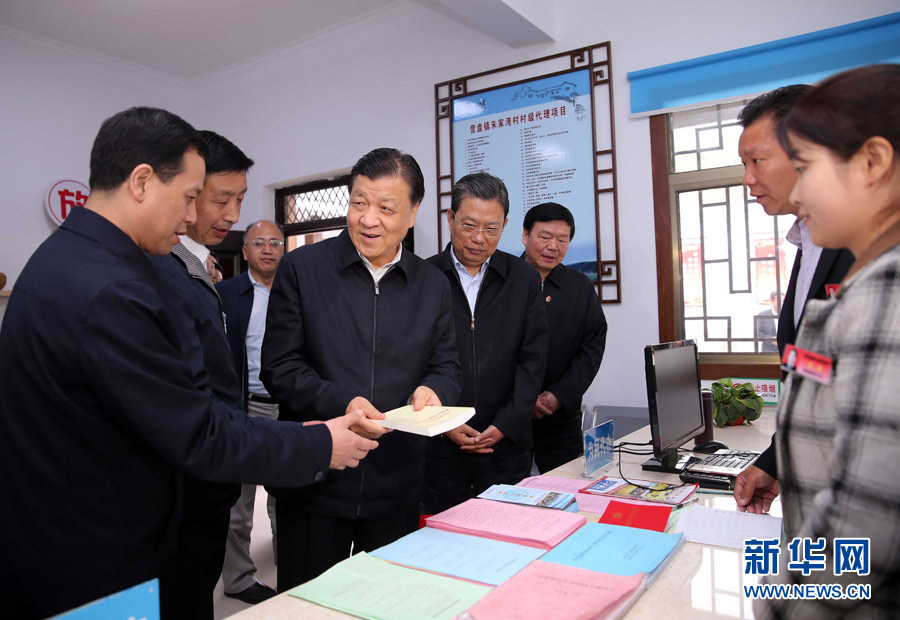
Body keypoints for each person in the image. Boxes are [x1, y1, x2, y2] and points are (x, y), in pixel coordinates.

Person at [0, 107, 377, 620]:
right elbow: (196, 432)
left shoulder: (66, 255)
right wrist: (321, 444)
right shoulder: (115, 289)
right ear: (141, 182)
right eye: (189, 196)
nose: (190, 216)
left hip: (59, 531)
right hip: (95, 555)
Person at [261, 148, 462, 589]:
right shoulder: (302, 269)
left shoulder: (432, 285)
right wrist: (343, 402)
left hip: (397, 485)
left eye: (386, 208)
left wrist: (435, 389)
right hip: (315, 480)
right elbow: (279, 367)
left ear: (413, 213)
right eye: (358, 202)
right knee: (308, 607)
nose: (368, 219)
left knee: (388, 604)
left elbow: (447, 364)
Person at [755, 63, 900, 619]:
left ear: (873, 162)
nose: (799, 190)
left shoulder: (886, 287)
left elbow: (861, 530)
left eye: (807, 167)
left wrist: (772, 601)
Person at [733, 85, 854, 514]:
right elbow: (814, 372)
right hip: (815, 489)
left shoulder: (866, 243)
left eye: (757, 161)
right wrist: (775, 463)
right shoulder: (808, 241)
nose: (748, 178)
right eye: (744, 164)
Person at [147, 130, 254, 618]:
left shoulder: (199, 263)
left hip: (211, 474)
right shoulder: (161, 268)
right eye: (219, 198)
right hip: (186, 485)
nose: (232, 214)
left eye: (241, 199)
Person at [425, 172, 547, 513]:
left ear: (505, 225)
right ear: (450, 219)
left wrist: (506, 424)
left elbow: (533, 359)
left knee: (507, 532)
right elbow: (411, 361)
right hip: (440, 447)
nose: (479, 238)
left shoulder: (523, 279)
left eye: (492, 228)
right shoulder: (423, 278)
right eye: (469, 225)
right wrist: (443, 423)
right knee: (442, 536)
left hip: (506, 445)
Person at [216, 220, 286, 604]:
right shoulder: (225, 294)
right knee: (239, 502)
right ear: (245, 252)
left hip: (288, 407)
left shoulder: (296, 291)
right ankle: (238, 578)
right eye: (259, 242)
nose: (268, 248)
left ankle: (289, 566)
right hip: (244, 406)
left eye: (275, 242)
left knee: (287, 496)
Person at [521, 202, 607, 473]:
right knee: (507, 490)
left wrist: (559, 395)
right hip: (507, 413)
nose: (553, 247)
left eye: (562, 240)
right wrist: (523, 398)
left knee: (566, 485)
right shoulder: (502, 281)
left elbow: (592, 347)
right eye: (545, 237)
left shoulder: (579, 287)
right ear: (525, 236)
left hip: (560, 415)